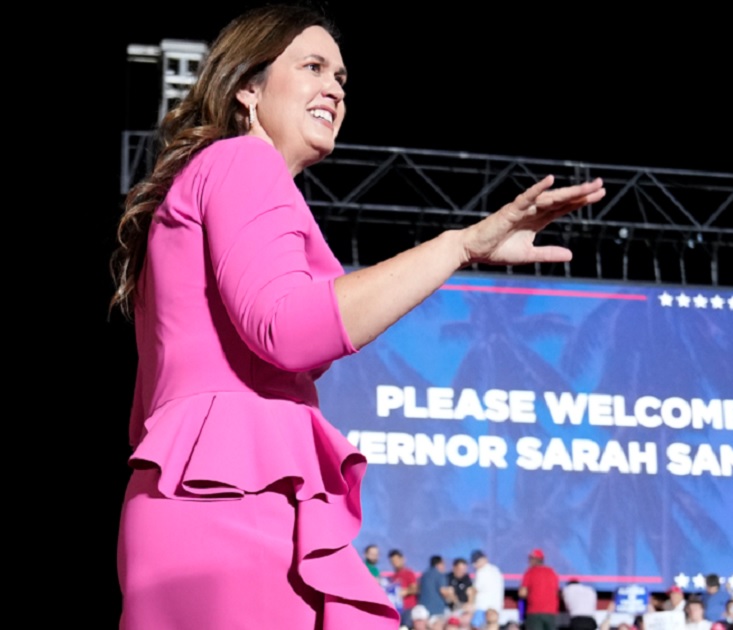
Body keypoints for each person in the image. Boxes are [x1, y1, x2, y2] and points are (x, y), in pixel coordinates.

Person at [110, 5, 605, 629]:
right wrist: (460, 245)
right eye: (313, 67)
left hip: (207, 501)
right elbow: (287, 328)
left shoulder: (212, 175)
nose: (335, 89)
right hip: (232, 509)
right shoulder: (242, 162)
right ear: (247, 86)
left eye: (341, 77)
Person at [519, 549, 561, 630]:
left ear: (535, 560)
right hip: (551, 613)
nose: (529, 561)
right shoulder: (552, 572)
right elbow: (556, 591)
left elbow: (522, 593)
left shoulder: (530, 572)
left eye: (530, 559)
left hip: (534, 612)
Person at [471, 550, 506, 626]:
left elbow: (474, 590)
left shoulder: (481, 571)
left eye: (477, 562)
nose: (475, 565)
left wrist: (469, 603)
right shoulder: (496, 570)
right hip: (496, 609)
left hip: (482, 608)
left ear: (484, 559)